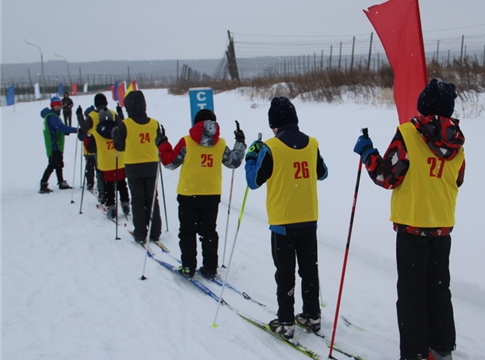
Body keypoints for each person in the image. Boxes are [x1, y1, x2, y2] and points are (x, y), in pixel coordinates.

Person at [353, 79, 465, 360]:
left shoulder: (408, 133)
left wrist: (368, 153)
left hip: (413, 227)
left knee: (412, 294)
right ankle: (441, 349)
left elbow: (386, 176)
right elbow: (458, 179)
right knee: (439, 289)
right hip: (441, 227)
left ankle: (414, 353)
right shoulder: (457, 142)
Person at [244, 96, 328, 340]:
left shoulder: (271, 147)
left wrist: (251, 157)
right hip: (308, 218)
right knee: (309, 269)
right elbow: (322, 173)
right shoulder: (312, 144)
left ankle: (286, 320)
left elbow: (253, 181)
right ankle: (312, 315)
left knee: (285, 272)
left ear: (275, 124)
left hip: (283, 221)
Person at [156, 109, 246, 279]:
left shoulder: (187, 142)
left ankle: (189, 267)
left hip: (188, 194)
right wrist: (240, 143)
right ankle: (210, 268)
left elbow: (169, 163)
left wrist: (162, 143)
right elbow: (233, 162)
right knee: (209, 232)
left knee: (187, 232)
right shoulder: (220, 144)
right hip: (211, 194)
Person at [112, 90, 161, 243]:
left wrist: (115, 136)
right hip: (151, 164)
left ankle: (140, 232)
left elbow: (119, 146)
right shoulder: (154, 123)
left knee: (138, 199)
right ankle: (155, 231)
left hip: (133, 165)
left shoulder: (125, 124)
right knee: (152, 198)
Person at [39, 96, 78, 193]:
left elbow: (59, 129)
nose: (60, 107)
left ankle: (61, 182)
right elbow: (61, 127)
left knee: (59, 164)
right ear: (53, 106)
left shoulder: (55, 115)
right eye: (57, 105)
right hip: (53, 145)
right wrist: (75, 130)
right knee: (52, 164)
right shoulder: (52, 117)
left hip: (56, 144)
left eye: (60, 105)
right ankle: (43, 183)